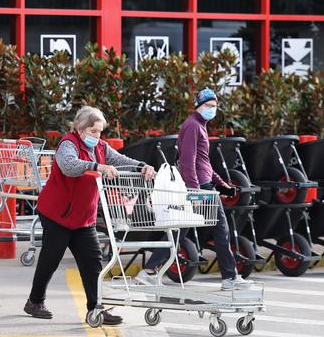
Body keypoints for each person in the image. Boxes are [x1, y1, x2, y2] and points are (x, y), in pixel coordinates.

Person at [24, 106, 156, 325]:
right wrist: (98, 167)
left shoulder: (101, 147)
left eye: (100, 131)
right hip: (58, 213)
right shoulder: (68, 144)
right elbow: (68, 166)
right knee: (51, 258)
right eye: (93, 131)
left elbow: (119, 160)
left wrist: (141, 166)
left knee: (93, 261)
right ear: (80, 128)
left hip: (83, 217)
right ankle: (35, 301)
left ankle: (96, 309)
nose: (97, 136)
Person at [135, 88, 251, 290]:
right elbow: (188, 162)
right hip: (198, 187)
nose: (212, 109)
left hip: (202, 185)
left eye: (214, 106)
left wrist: (222, 184)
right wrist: (195, 192)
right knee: (221, 230)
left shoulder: (199, 126)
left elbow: (203, 163)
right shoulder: (192, 126)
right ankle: (230, 277)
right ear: (198, 105)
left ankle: (149, 271)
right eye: (208, 105)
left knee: (180, 230)